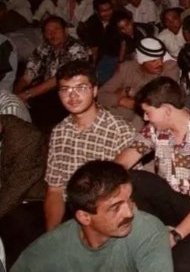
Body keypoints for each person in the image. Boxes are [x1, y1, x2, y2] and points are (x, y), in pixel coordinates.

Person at [116, 77, 190, 272]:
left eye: (148, 112)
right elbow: (124, 160)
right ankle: (145, 234)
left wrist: (175, 236)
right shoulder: (154, 129)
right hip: (171, 198)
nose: (145, 117)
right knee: (131, 180)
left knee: (182, 271)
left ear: (167, 110)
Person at [9, 160, 173, 272]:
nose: (129, 212)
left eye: (129, 200)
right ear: (84, 217)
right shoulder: (49, 248)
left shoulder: (148, 231)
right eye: (115, 208)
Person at [44, 61, 134, 230]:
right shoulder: (59, 132)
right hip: (70, 214)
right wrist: (53, 235)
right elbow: (55, 191)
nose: (72, 96)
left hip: (107, 216)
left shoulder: (119, 131)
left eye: (81, 88)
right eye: (65, 90)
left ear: (94, 90)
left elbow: (128, 193)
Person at [13, 16, 89, 130]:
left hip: (69, 91)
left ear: (65, 31)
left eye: (56, 30)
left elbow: (58, 80)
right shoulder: (43, 48)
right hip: (44, 92)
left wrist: (27, 94)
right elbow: (28, 75)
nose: (52, 34)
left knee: (42, 108)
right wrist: (17, 94)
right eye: (48, 31)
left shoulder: (76, 49)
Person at [98, 37, 179, 128]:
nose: (160, 63)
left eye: (161, 58)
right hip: (113, 119)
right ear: (142, 61)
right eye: (153, 61)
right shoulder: (127, 68)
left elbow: (158, 101)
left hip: (141, 124)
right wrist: (122, 100)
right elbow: (101, 95)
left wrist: (132, 96)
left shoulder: (169, 69)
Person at [0, 115, 46, 269]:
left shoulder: (27, 138)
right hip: (8, 195)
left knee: (15, 227)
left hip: (32, 200)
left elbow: (15, 189)